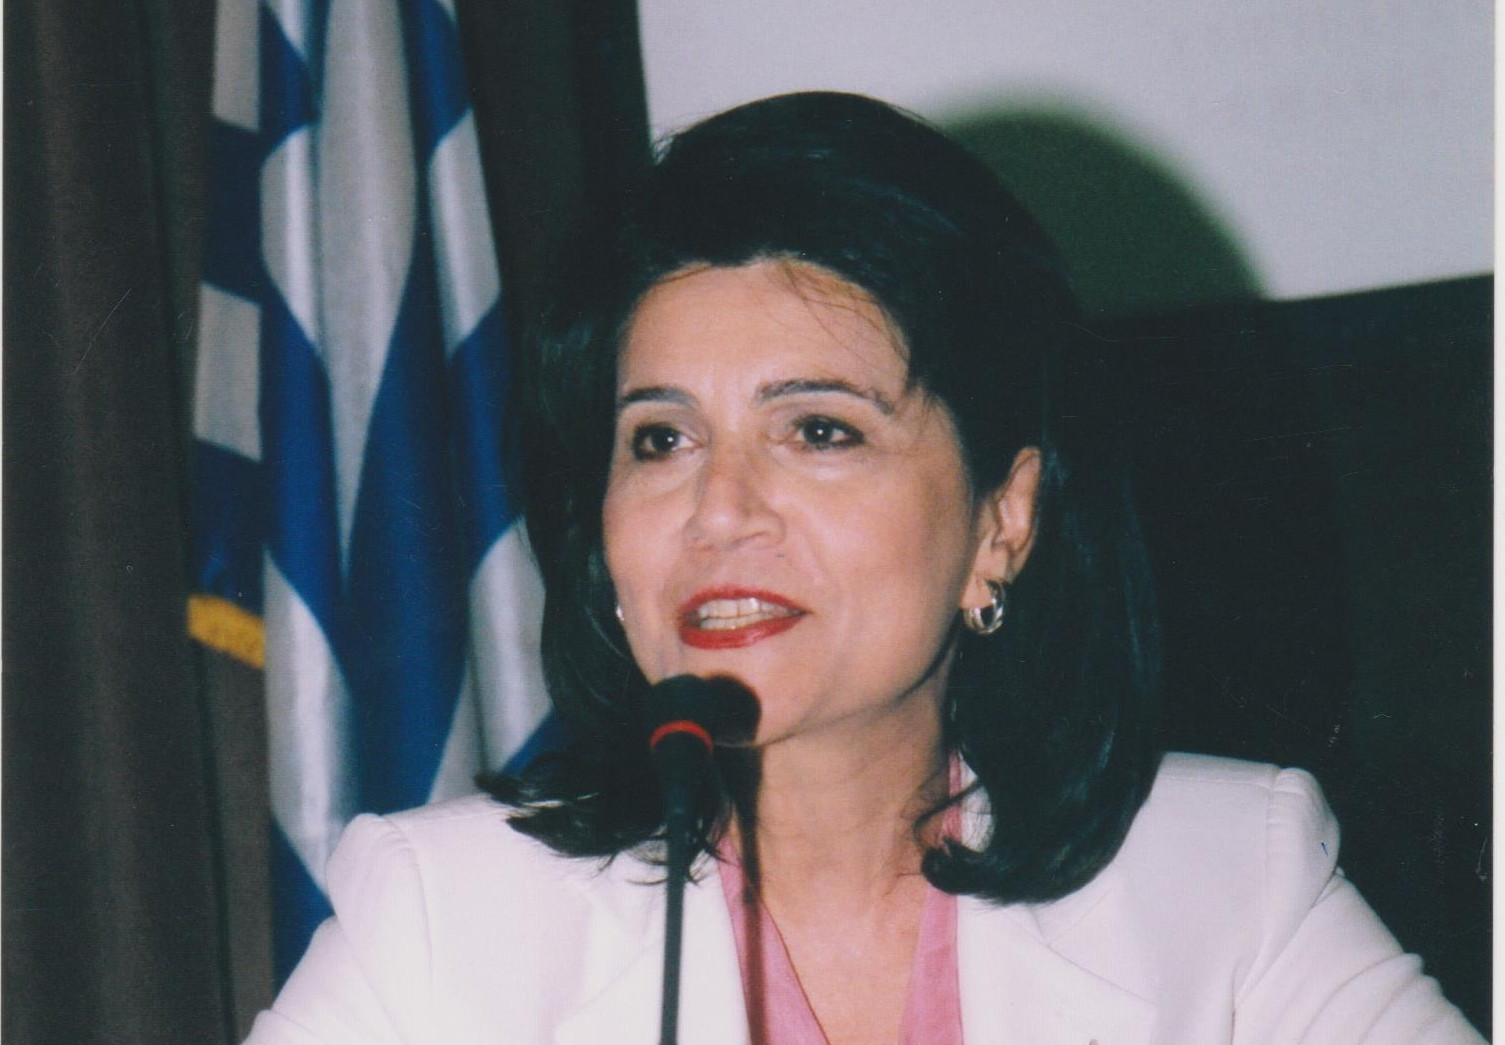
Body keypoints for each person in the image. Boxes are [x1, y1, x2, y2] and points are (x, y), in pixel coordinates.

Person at [244, 92, 1483, 1044]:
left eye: (819, 430)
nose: (718, 510)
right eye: (660, 439)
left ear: (1002, 520)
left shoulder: (1225, 882)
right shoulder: (443, 922)